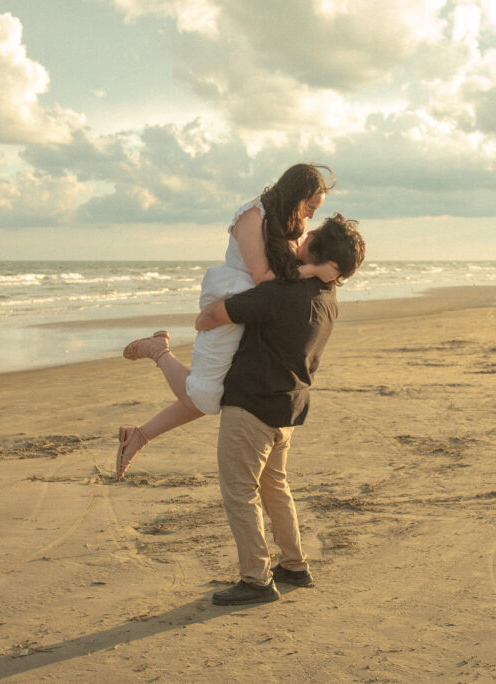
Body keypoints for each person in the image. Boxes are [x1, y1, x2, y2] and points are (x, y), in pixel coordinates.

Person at [117, 163, 338, 479]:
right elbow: (262, 277)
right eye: (310, 207)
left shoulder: (294, 222)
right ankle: (157, 351)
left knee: (219, 392)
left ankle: (138, 435)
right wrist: (314, 271)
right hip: (232, 300)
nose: (311, 216)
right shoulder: (252, 216)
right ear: (295, 195)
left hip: (257, 309)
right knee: (204, 395)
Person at [196, 214, 365, 605]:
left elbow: (214, 316)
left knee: (240, 492)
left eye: (311, 236)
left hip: (252, 405)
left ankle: (256, 579)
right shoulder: (327, 300)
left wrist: (204, 316)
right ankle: (294, 565)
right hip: (287, 407)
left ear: (318, 255)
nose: (303, 236)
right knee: (273, 487)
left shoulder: (282, 293)